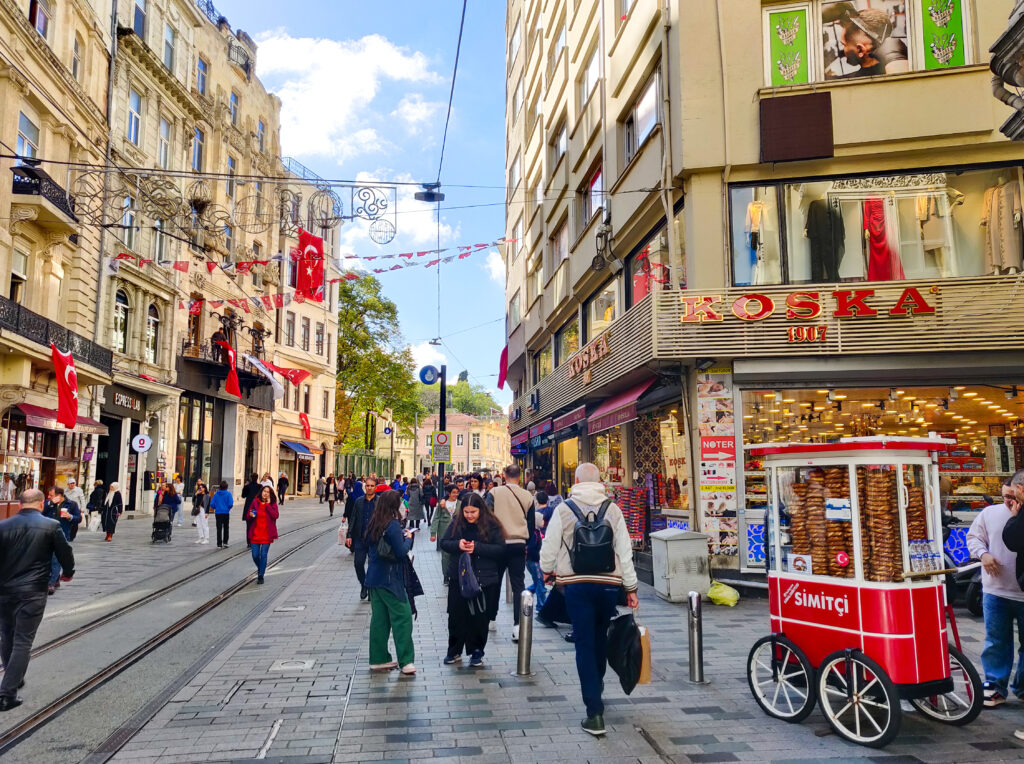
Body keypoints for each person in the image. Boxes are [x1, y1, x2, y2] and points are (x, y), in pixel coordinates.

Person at [540, 462, 639, 737]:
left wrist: (547, 571)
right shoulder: (614, 509)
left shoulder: (564, 509)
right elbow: (625, 551)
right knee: (599, 636)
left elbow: (549, 547)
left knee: (583, 642)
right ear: (600, 482)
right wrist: (630, 588)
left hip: (576, 585)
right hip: (608, 585)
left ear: (576, 480)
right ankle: (598, 684)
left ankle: (594, 712)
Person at [0, 489, 75, 711]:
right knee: (23, 640)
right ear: (41, 504)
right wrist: (68, 573)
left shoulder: (3, 526)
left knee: (7, 634)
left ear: (20, 504)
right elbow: (65, 553)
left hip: (4, 591)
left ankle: (14, 675)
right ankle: (6, 694)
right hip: (33, 591)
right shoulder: (51, 526)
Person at [440, 493, 505, 667]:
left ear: (480, 510)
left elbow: (500, 550)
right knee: (455, 615)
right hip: (459, 577)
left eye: (473, 512)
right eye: (466, 512)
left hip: (484, 578)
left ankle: (477, 651)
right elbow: (444, 543)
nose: (469, 515)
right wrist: (458, 545)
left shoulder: (492, 525)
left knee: (479, 617)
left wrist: (477, 548)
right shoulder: (456, 523)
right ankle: (454, 650)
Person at [364, 489, 415, 674]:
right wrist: (409, 539)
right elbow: (401, 552)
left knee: (380, 620)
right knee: (403, 616)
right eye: (400, 502)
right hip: (390, 579)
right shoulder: (392, 525)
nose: (402, 505)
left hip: (374, 578)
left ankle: (378, 659)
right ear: (394, 505)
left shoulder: (375, 522)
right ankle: (406, 661)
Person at [824, 3, 908, 79]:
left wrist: (821, 15)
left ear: (860, 50)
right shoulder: (902, 69)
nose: (842, 50)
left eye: (844, 45)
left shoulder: (850, 83)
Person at [346, 476, 379, 600]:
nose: (369, 488)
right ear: (365, 486)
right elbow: (353, 518)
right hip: (360, 538)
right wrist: (349, 535)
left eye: (372, 486)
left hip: (374, 539)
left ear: (375, 487)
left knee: (373, 565)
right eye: (367, 486)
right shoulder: (359, 501)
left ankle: (370, 588)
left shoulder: (379, 501)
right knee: (358, 564)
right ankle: (364, 584)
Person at [44, 487, 80, 594]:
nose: (48, 497)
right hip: (47, 534)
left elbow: (78, 518)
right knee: (48, 559)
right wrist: (50, 503)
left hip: (63, 535)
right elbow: (40, 512)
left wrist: (70, 517)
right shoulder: (48, 503)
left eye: (51, 495)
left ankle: (51, 583)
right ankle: (55, 579)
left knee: (56, 560)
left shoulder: (72, 504)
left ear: (59, 495)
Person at [247, 486, 279, 584]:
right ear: (261, 492)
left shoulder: (272, 504)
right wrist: (250, 515)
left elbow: (275, 515)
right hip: (255, 534)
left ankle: (261, 575)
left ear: (270, 494)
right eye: (264, 491)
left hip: (266, 534)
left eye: (268, 492)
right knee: (255, 555)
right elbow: (248, 515)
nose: (265, 493)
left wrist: (268, 505)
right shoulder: (255, 502)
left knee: (263, 555)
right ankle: (261, 567)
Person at [432, 485, 460, 585]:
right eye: (453, 492)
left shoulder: (460, 504)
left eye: (457, 492)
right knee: (445, 556)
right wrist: (433, 533)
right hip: (444, 533)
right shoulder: (442, 504)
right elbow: (436, 518)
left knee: (456, 554)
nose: (455, 494)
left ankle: (455, 574)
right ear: (449, 493)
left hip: (457, 533)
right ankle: (446, 575)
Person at [241, 473, 262, 549]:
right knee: (256, 525)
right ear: (257, 478)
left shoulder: (248, 486)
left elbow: (243, 496)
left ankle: (249, 542)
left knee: (249, 525)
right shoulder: (260, 487)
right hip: (256, 508)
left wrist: (245, 486)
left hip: (249, 508)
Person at [210, 481, 234, 548]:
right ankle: (225, 542)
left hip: (218, 513)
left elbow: (212, 504)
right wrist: (227, 508)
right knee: (226, 527)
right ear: (226, 487)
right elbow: (230, 504)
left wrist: (216, 507)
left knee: (219, 528)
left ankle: (219, 543)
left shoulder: (216, 494)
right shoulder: (228, 494)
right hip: (226, 513)